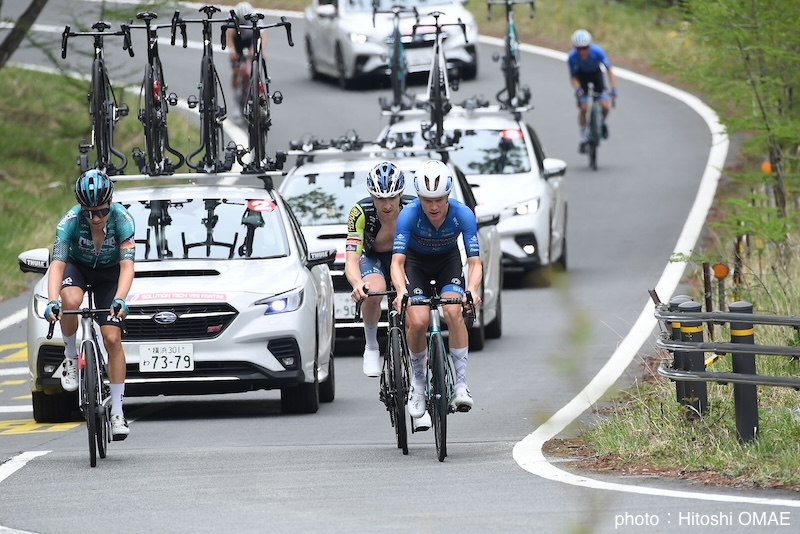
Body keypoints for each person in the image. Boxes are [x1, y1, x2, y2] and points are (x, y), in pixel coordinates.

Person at [43, 169, 136, 441]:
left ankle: (117, 411)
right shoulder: (69, 221)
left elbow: (127, 267)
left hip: (109, 275)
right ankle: (71, 357)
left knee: (112, 338)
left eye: (101, 212)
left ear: (111, 204)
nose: (95, 218)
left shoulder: (123, 220)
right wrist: (51, 302)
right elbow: (58, 265)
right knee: (70, 300)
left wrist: (120, 299)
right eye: (89, 212)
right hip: (79, 268)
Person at [390, 160, 483, 420]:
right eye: (426, 200)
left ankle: (462, 386)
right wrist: (400, 291)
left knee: (454, 311)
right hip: (416, 264)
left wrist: (472, 290)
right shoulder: (408, 214)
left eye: (439, 200)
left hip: (447, 262)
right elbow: (397, 263)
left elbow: (475, 262)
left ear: (448, 196)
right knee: (417, 321)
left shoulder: (462, 214)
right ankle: (418, 385)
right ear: (418, 197)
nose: (433, 206)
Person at [346, 162, 432, 432]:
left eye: (392, 198)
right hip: (374, 259)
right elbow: (351, 258)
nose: (386, 204)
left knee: (414, 316)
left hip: (405, 259)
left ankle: (420, 400)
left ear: (401, 194)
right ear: (372, 196)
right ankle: (371, 344)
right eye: (380, 198)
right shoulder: (360, 211)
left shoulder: (413, 208)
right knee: (373, 292)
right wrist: (357, 283)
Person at [567, 29, 618, 154]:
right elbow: (573, 77)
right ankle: (583, 137)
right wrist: (578, 89)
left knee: (605, 106)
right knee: (584, 108)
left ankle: (602, 122)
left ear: (589, 46)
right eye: (579, 49)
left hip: (596, 76)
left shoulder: (598, 52)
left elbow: (610, 70)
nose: (582, 51)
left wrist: (613, 89)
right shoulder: (572, 57)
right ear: (575, 48)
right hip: (582, 77)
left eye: (585, 48)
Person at [227, 2, 267, 115]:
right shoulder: (234, 19)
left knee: (254, 66)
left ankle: (258, 93)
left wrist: (260, 50)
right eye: (241, 22)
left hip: (251, 40)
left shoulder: (256, 19)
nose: (243, 23)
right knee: (236, 71)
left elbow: (263, 37)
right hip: (238, 42)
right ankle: (236, 101)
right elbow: (230, 37)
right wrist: (232, 51)